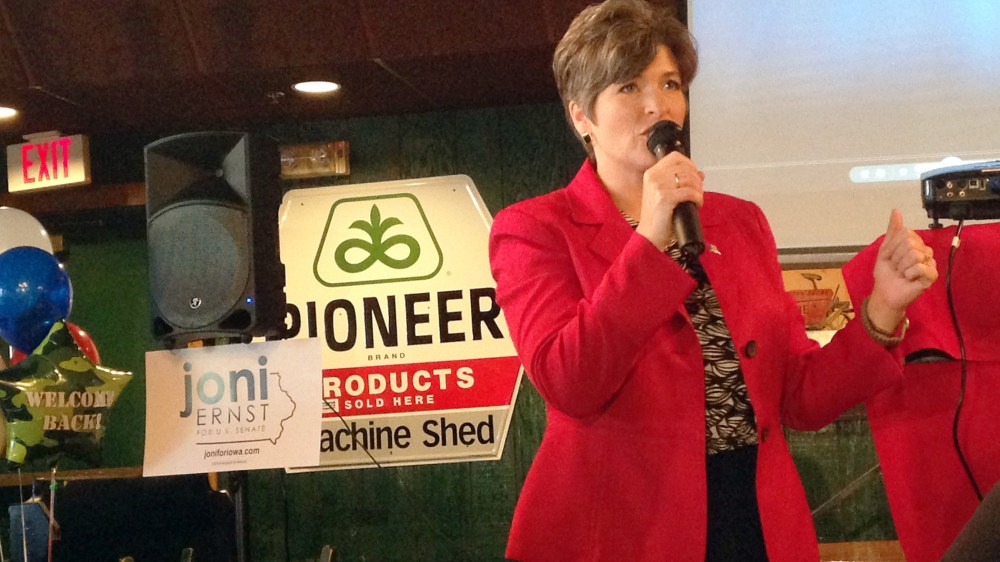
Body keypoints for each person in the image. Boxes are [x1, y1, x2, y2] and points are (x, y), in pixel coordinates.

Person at [487, 1, 938, 560]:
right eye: (629, 87)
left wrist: (883, 310)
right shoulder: (533, 229)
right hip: (626, 528)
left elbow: (798, 398)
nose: (659, 106)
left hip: (753, 516)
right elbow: (570, 383)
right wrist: (648, 240)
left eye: (670, 83)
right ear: (581, 115)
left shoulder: (738, 221)